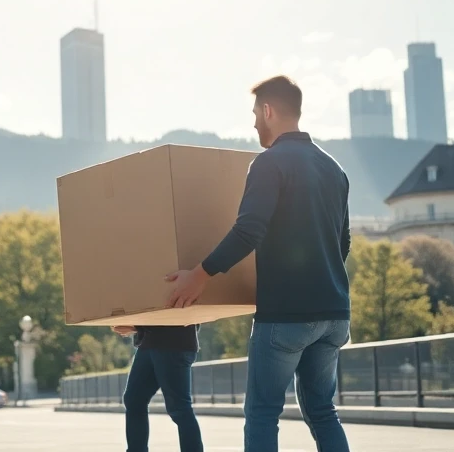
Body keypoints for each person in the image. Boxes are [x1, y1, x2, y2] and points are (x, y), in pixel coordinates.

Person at [165, 75, 353, 452]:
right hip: (335, 314)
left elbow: (248, 230)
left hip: (286, 316)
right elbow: (342, 242)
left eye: (255, 114)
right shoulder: (335, 169)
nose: (253, 124)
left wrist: (200, 275)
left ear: (268, 111)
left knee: (264, 412)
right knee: (322, 411)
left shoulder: (269, 164)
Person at [113, 324, 203, 452]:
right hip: (148, 343)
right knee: (134, 400)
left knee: (179, 408)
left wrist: (137, 327)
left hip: (173, 344)